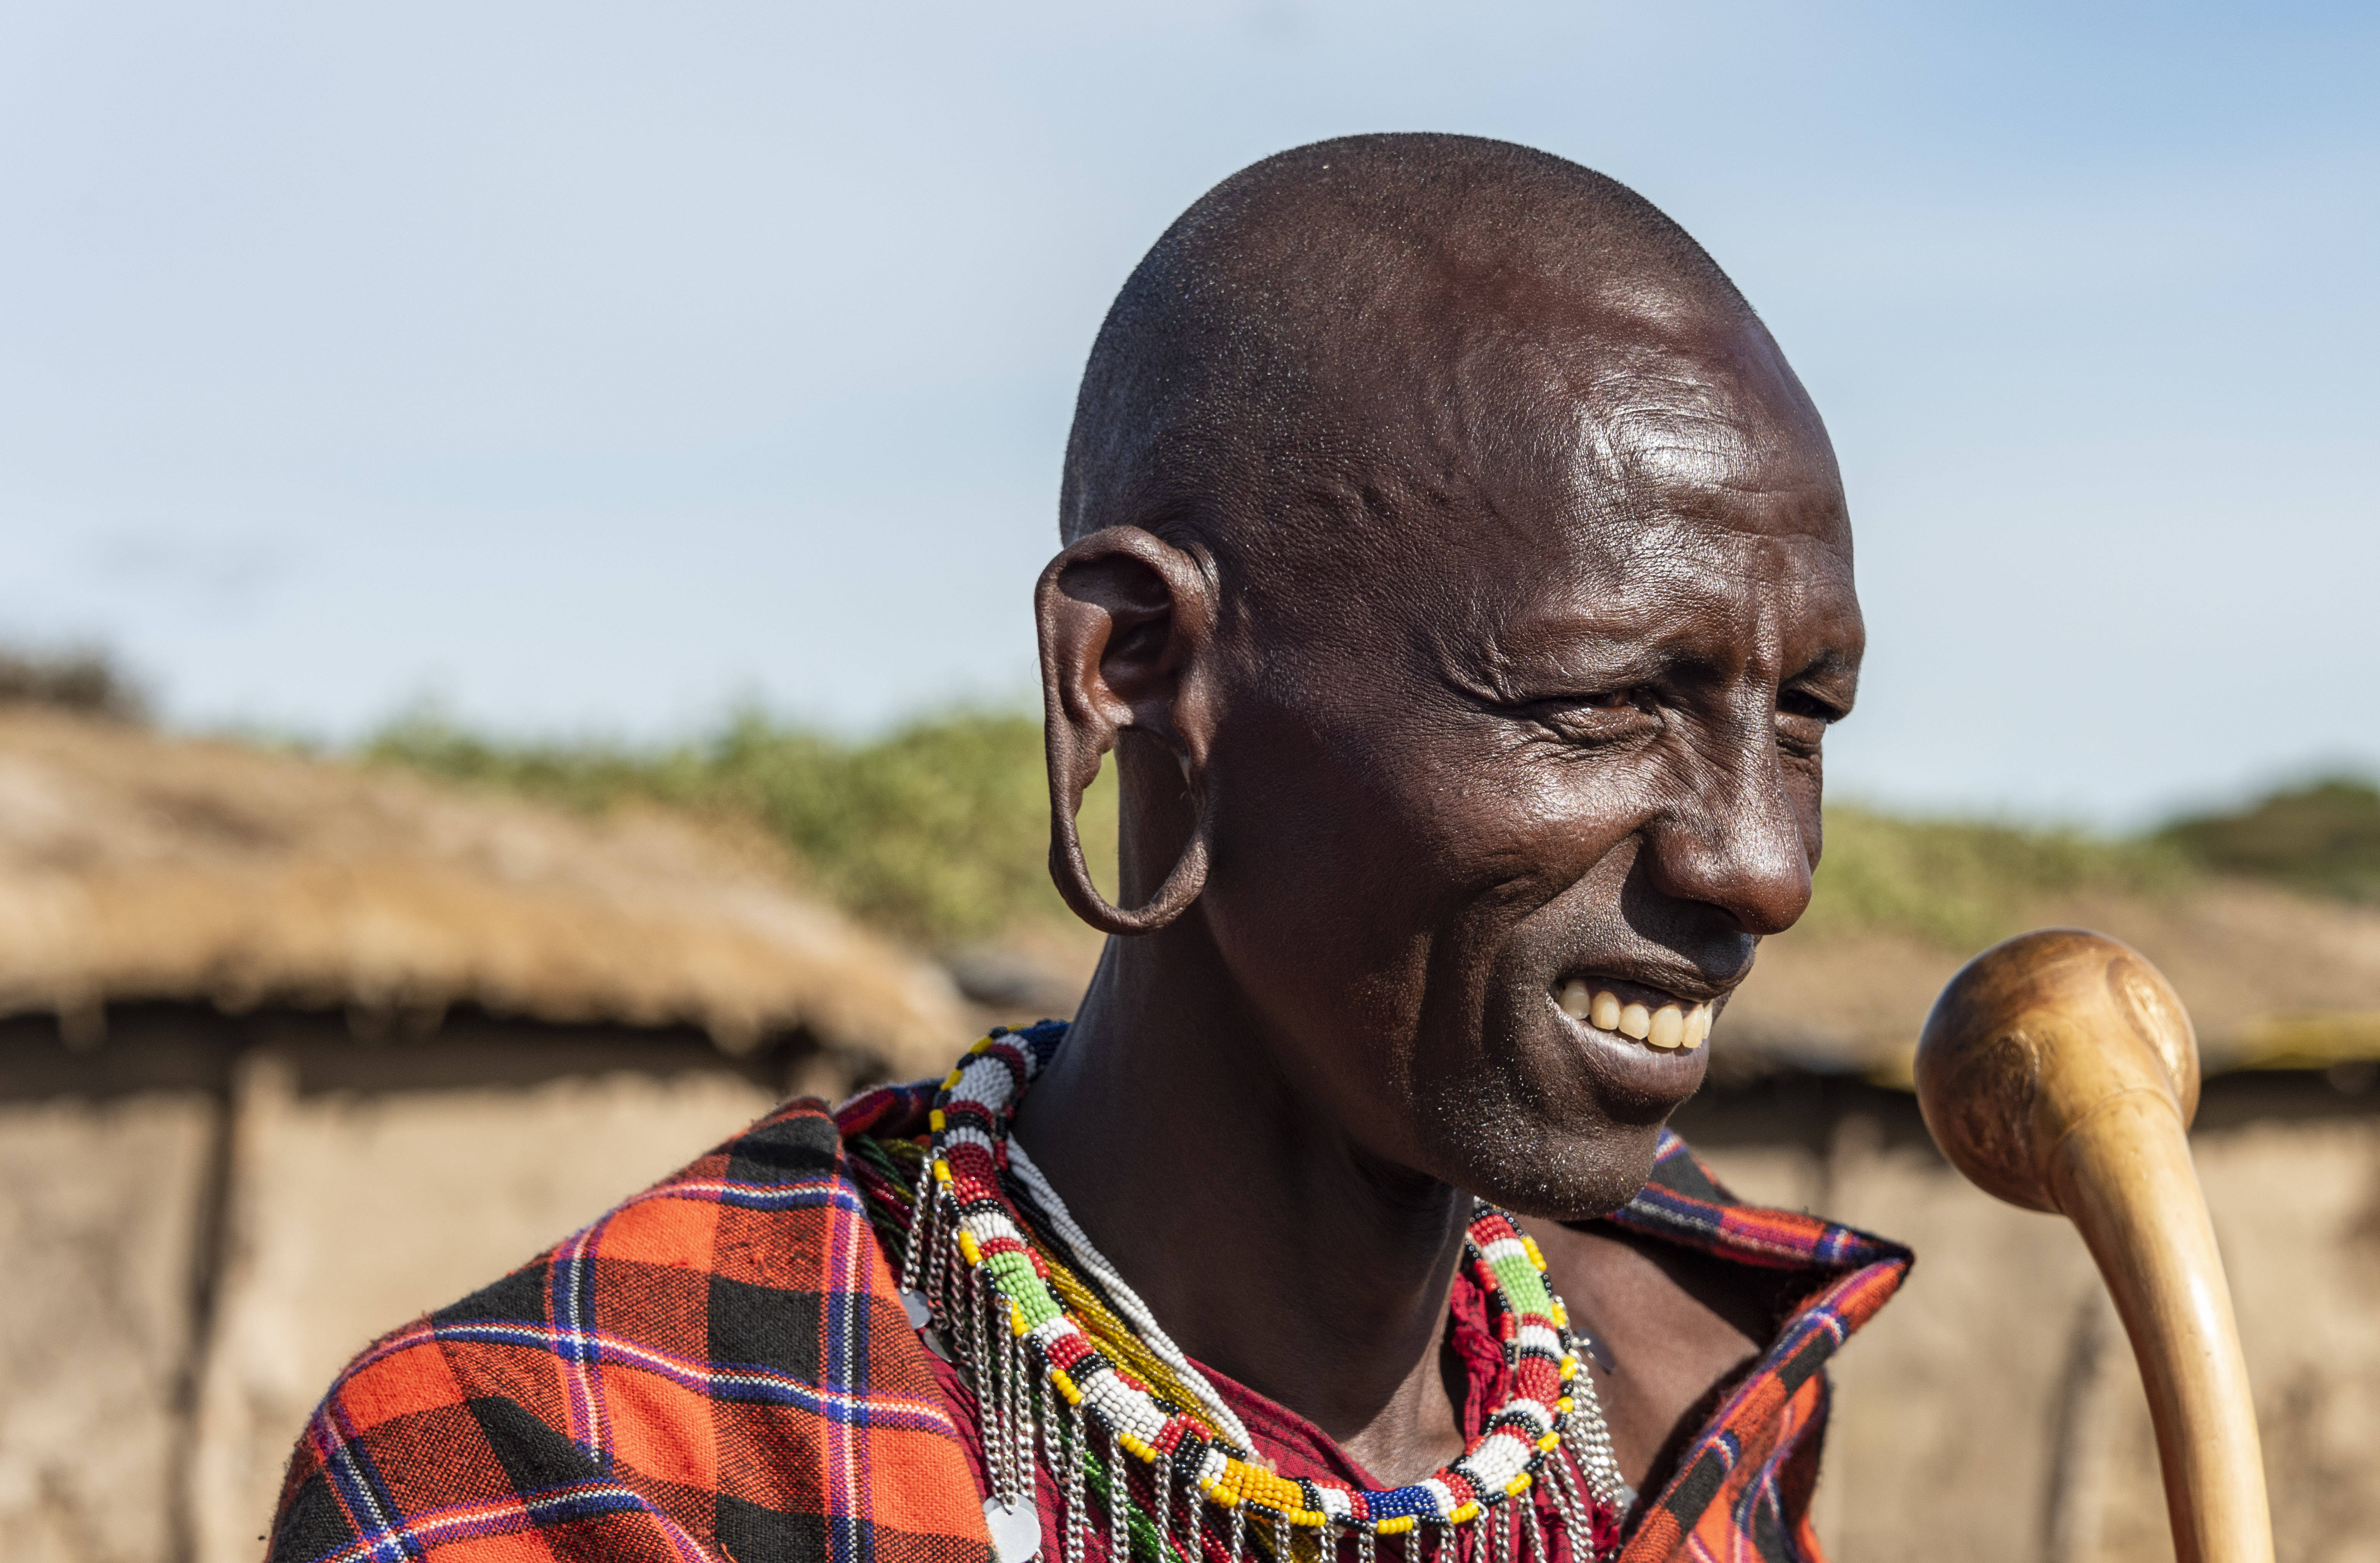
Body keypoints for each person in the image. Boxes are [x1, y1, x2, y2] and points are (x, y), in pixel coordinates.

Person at [266, 134, 1908, 1563]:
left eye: (1802, 716)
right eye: (1611, 697)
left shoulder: (1679, 1393)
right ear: (1136, 673)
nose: (1761, 865)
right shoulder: (603, 1461)